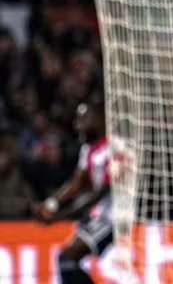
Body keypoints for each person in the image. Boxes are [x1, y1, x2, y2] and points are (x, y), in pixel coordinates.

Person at [34, 102, 111, 284]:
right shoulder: (88, 149)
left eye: (84, 118)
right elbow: (78, 182)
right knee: (66, 261)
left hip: (114, 218)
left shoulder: (114, 148)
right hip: (99, 216)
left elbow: (98, 194)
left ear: (100, 119)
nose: (77, 124)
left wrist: (59, 217)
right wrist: (51, 202)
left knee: (67, 259)